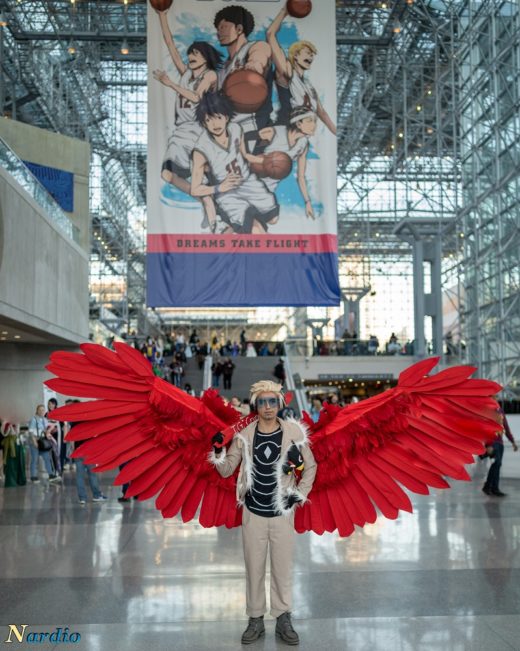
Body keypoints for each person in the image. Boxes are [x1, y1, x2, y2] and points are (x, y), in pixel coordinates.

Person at [210, 380, 316, 645]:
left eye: (272, 401)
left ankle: (283, 618)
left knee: (282, 568)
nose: (267, 407)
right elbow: (226, 470)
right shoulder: (244, 435)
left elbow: (310, 466)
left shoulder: (293, 432)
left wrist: (297, 495)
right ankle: (255, 619)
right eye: (262, 402)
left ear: (279, 404)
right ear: (255, 404)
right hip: (253, 513)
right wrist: (218, 450)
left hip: (282, 514)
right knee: (254, 568)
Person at [154, 4, 221, 231]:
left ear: (205, 57)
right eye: (190, 53)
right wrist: (162, 15)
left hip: (199, 130)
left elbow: (194, 96)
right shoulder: (185, 74)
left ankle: (213, 214)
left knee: (205, 174)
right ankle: (205, 199)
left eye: (196, 53)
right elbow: (170, 43)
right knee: (167, 173)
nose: (191, 56)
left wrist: (170, 84)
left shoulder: (210, 75)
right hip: (181, 130)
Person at [191, 91, 279, 234]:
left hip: (248, 182)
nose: (215, 124)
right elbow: (195, 189)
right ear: (204, 123)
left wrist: (265, 161)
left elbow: (245, 155)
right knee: (256, 230)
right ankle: (232, 224)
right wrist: (219, 188)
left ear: (226, 117)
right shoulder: (201, 150)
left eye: (218, 117)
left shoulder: (236, 129)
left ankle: (233, 229)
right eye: (208, 120)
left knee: (273, 219)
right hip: (227, 193)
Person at [267, 6, 336, 134]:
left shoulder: (309, 86)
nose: (311, 56)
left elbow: (323, 114)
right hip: (284, 131)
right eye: (308, 53)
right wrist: (284, 12)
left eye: (312, 54)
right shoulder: (287, 70)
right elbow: (270, 35)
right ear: (296, 55)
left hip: (299, 136)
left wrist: (336, 132)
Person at [255, 107, 317, 219]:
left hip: (269, 187)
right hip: (252, 179)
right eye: (310, 121)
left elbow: (301, 177)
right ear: (298, 124)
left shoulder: (303, 144)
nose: (314, 125)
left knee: (271, 220)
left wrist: (307, 202)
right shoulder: (274, 132)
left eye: (315, 121)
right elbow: (241, 141)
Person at [70, 401, 107, 504]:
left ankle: (82, 498)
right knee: (92, 474)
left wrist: (74, 451)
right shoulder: (89, 421)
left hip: (78, 451)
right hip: (88, 451)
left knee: (79, 476)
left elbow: (72, 438)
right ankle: (96, 495)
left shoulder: (74, 421)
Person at [482, 407, 518, 497]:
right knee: (496, 463)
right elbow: (483, 427)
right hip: (492, 442)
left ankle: (495, 488)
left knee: (498, 465)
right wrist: (488, 444)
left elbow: (505, 426)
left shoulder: (500, 410)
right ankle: (487, 486)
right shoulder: (486, 409)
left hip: (500, 442)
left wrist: (512, 441)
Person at [27, 405, 61, 483]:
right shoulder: (34, 419)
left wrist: (51, 430)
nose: (42, 411)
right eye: (40, 410)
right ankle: (33, 476)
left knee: (47, 458)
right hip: (35, 440)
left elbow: (45, 430)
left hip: (42, 442)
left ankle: (51, 475)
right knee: (35, 459)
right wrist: (34, 442)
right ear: (37, 411)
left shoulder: (44, 420)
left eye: (43, 410)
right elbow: (31, 432)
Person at [1, 422, 26, 487]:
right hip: (10, 444)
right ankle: (11, 482)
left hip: (18, 443)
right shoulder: (5, 422)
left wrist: (17, 428)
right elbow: (4, 434)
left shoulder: (18, 421)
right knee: (11, 463)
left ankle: (19, 480)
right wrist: (9, 427)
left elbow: (17, 433)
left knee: (20, 461)